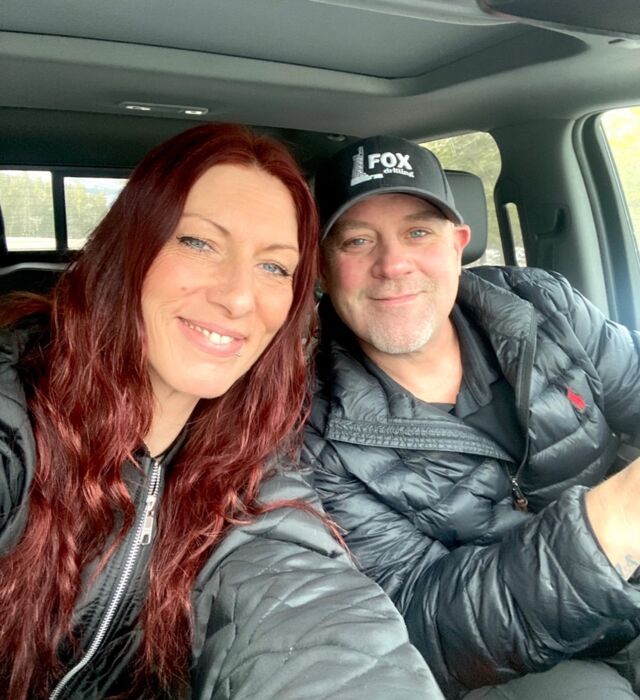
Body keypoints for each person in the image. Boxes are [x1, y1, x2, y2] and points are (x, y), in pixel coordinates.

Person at [0, 124, 444, 700]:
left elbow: (303, 603)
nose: (237, 297)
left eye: (274, 267)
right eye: (198, 242)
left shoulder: (252, 455)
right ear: (127, 247)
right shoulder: (16, 415)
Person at [302, 134, 640, 700]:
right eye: (357, 241)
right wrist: (614, 523)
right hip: (512, 660)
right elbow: (420, 617)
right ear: (321, 267)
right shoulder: (310, 429)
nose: (393, 264)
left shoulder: (543, 305)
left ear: (458, 244)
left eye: (418, 232)